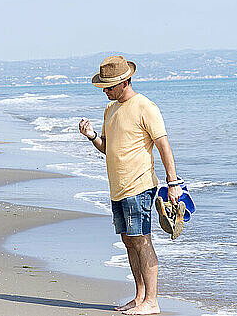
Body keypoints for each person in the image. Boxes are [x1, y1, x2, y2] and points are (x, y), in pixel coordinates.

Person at [78, 55, 183, 315]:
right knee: (129, 241)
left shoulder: (145, 107)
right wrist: (91, 136)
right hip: (118, 188)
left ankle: (152, 301)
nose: (105, 90)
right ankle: (139, 297)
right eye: (104, 85)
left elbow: (163, 146)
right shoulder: (110, 110)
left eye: (109, 86)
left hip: (140, 187)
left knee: (142, 241)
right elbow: (107, 148)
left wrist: (173, 183)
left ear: (125, 81)